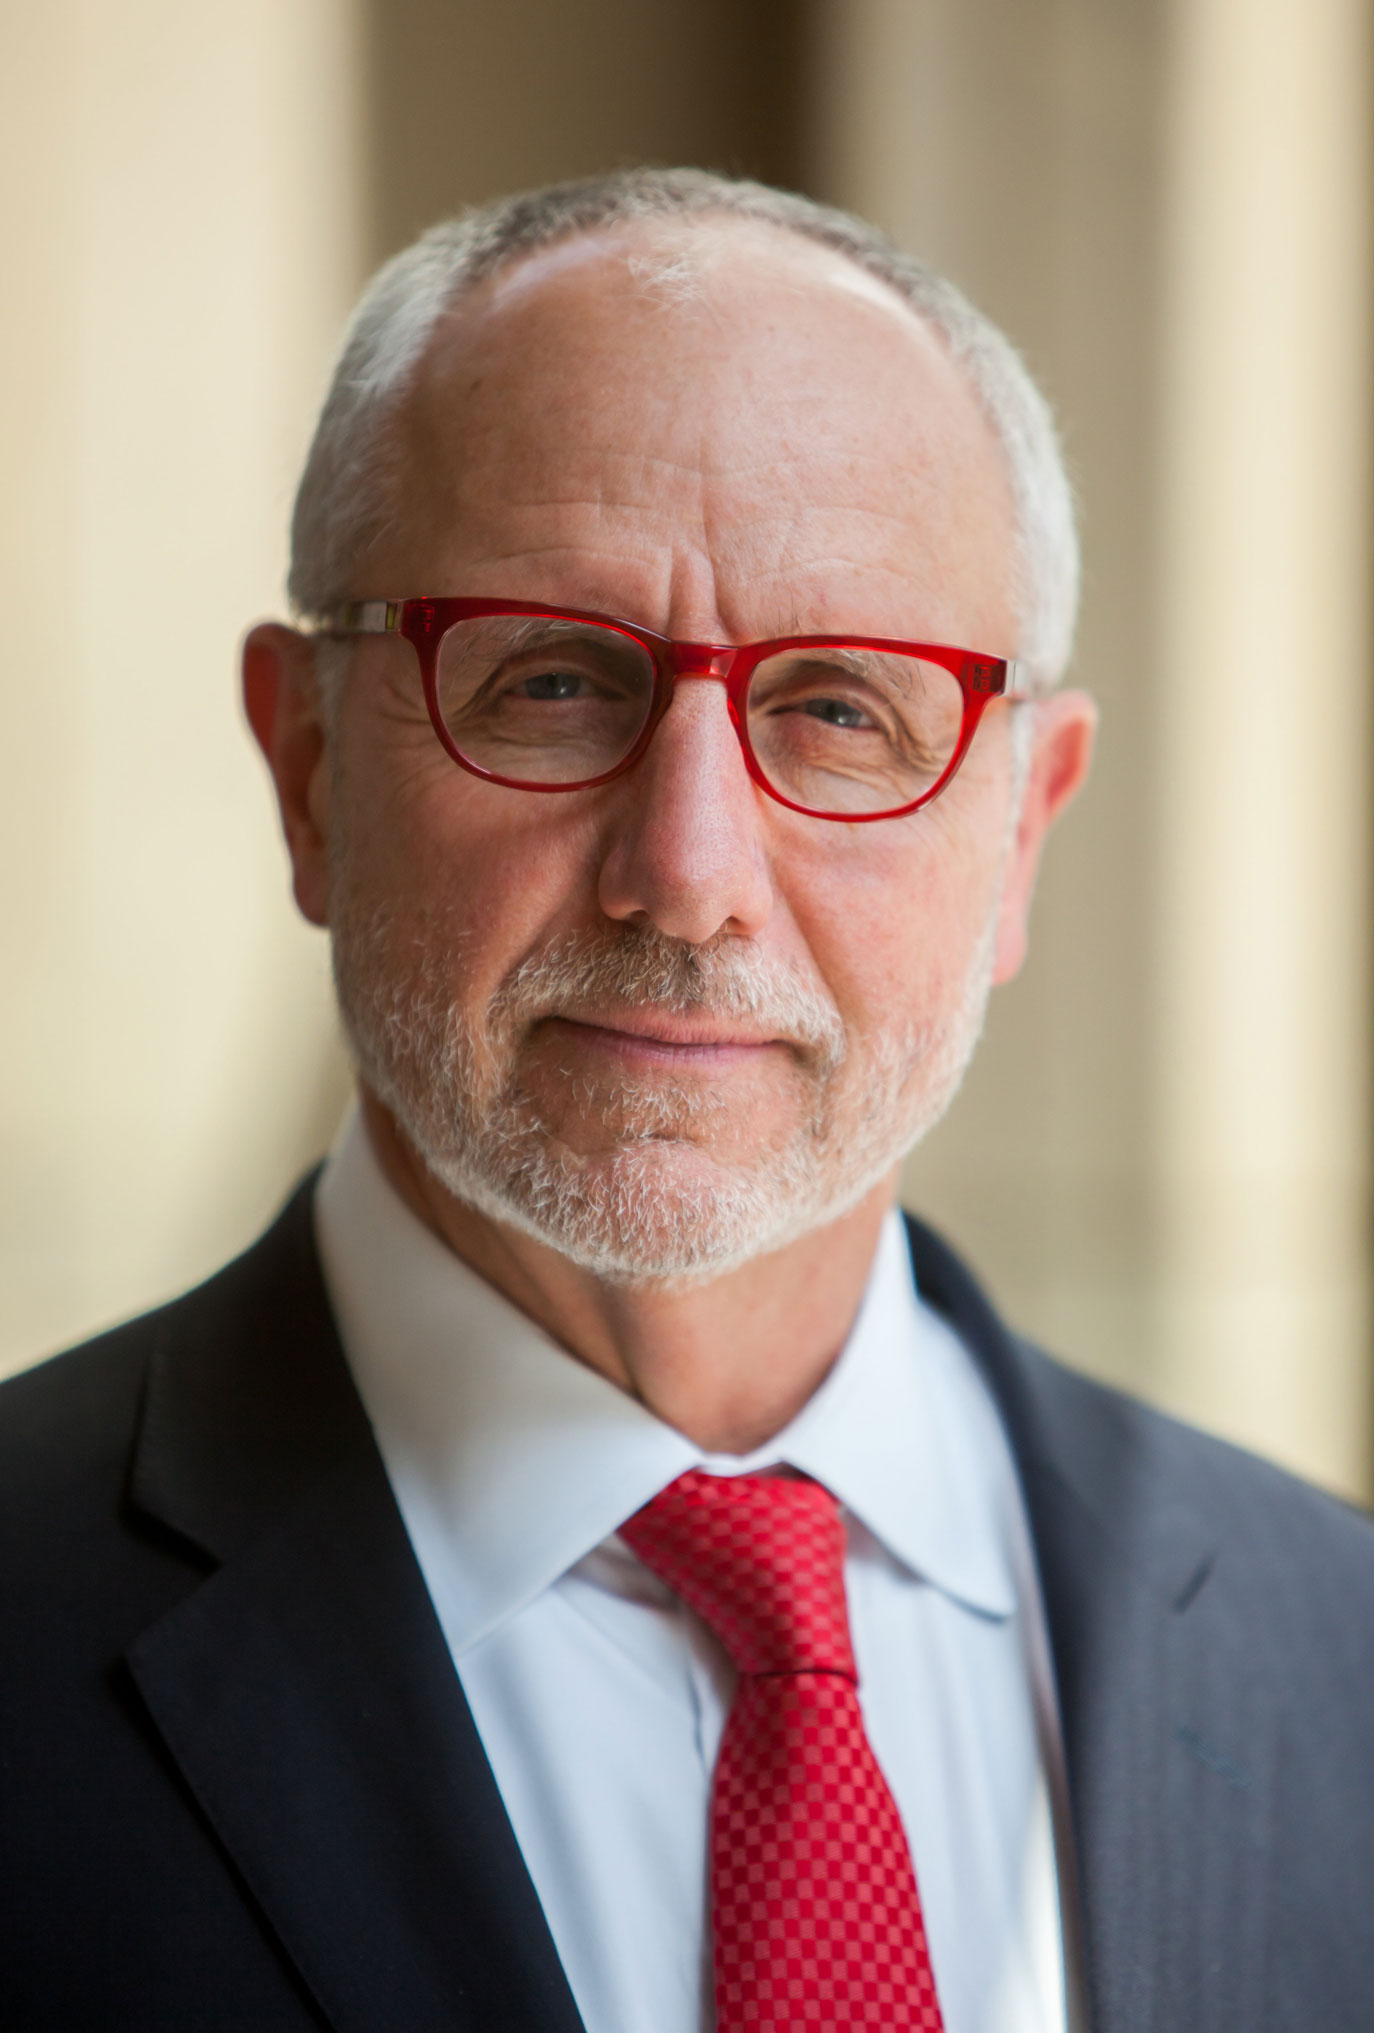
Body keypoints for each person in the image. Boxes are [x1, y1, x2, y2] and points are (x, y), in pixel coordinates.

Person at [2, 168, 1372, 2033]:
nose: (689, 868)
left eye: (838, 711)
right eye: (555, 682)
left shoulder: (1340, 1650)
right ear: (309, 767)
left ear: (1023, 831)